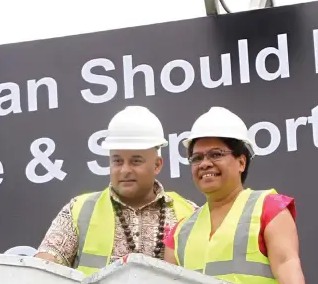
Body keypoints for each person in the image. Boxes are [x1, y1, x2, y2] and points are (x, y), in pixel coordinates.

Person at [163, 106, 318, 284]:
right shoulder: (180, 231)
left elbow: (286, 262)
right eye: (197, 158)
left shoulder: (268, 208)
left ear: (241, 162)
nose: (205, 163)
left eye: (216, 154)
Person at [36, 106, 197, 275]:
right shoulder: (80, 210)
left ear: (157, 165)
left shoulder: (188, 214)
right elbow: (44, 272)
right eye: (118, 161)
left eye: (136, 161)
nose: (125, 170)